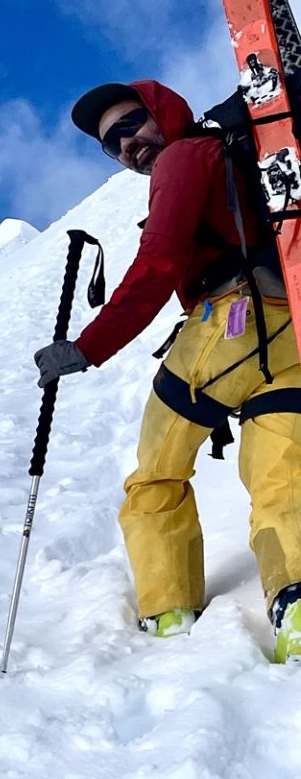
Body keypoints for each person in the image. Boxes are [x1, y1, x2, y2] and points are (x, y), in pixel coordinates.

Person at [37, 79, 301, 658]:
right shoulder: (235, 159)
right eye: (112, 145)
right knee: (280, 475)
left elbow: (159, 261)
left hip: (226, 328)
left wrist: (88, 346)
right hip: (292, 331)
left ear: (163, 111)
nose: (126, 146)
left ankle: (169, 608)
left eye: (131, 125)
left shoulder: (184, 157)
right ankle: (297, 603)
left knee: (157, 471)